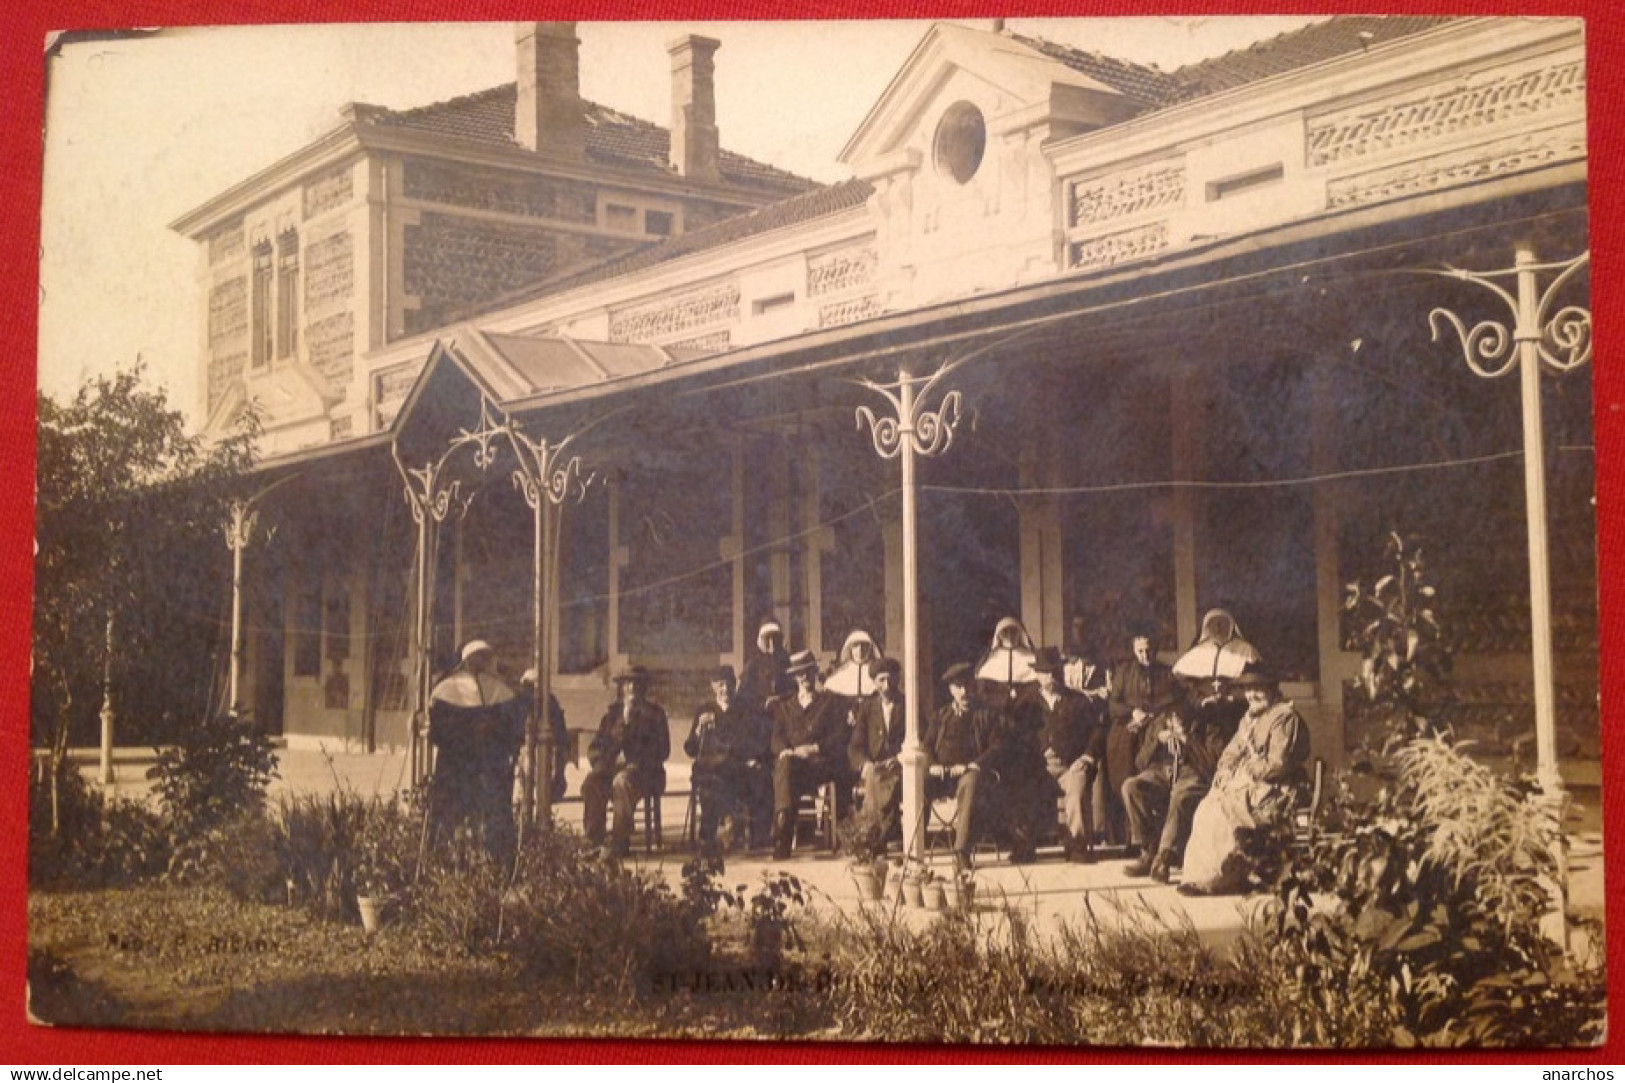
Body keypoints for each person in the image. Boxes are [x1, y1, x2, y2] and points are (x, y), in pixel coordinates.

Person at [1178, 665, 1311, 896]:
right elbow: (1232, 751)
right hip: (1252, 785)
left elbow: (1278, 763)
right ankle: (1206, 876)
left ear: (1271, 689)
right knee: (1207, 806)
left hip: (1278, 789)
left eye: (1258, 689)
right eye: (1248, 690)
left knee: (1222, 809)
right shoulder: (1249, 718)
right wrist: (1226, 771)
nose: (1252, 696)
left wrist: (1247, 772)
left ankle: (1220, 878)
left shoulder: (1284, 717)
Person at [1120, 683, 1233, 882]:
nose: (1173, 713)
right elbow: (1140, 762)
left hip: (1193, 772)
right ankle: (1148, 850)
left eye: (1177, 707)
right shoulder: (1159, 722)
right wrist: (1157, 740)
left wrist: (1186, 739)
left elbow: (1212, 763)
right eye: (1168, 708)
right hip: (1162, 771)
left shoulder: (1208, 722)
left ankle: (1164, 857)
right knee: (1131, 787)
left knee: (1180, 796)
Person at [427, 640, 526, 858]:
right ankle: (447, 857)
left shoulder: (502, 691)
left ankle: (495, 859)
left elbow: (514, 732)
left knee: (493, 816)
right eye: (474, 659)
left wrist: (494, 733)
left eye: (482, 658)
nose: (477, 664)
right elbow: (437, 732)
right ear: (464, 662)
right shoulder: (446, 690)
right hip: (454, 766)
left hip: (490, 766)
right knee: (451, 817)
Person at [1017, 646, 1106, 862]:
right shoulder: (1025, 703)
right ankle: (1024, 845)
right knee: (1024, 786)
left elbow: (1097, 731)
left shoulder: (1078, 700)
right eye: (1046, 672)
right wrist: (1034, 756)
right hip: (1039, 766)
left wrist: (1087, 756)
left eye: (1055, 671)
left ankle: (1077, 844)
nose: (1052, 676)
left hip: (1070, 765)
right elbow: (1017, 736)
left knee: (1076, 790)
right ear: (1037, 674)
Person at [922, 662, 1006, 874]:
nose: (964, 692)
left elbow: (997, 746)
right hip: (941, 775)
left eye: (968, 686)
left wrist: (973, 765)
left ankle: (961, 851)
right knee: (916, 781)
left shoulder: (986, 715)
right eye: (959, 687)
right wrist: (933, 765)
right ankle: (915, 845)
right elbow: (926, 745)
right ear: (951, 689)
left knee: (970, 783)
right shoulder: (940, 716)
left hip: (970, 774)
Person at [582, 665, 670, 860]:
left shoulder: (655, 715)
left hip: (646, 774)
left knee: (621, 782)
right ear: (621, 688)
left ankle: (620, 841)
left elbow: (663, 751)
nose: (632, 688)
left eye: (636, 684)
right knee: (592, 782)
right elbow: (596, 748)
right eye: (627, 683)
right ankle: (593, 840)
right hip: (612, 771)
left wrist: (636, 762)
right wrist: (602, 763)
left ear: (644, 688)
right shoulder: (612, 716)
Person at [769, 649, 847, 860]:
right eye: (799, 674)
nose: (804, 678)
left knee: (785, 771)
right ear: (794, 678)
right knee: (784, 765)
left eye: (807, 672)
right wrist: (785, 750)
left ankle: (782, 829)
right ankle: (784, 823)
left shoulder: (829, 702)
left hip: (820, 765)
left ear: (814, 672)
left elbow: (839, 737)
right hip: (794, 766)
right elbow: (776, 738)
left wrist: (814, 748)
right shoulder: (785, 707)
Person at [683, 665, 769, 853]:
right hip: (710, 769)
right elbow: (690, 749)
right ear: (713, 687)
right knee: (710, 779)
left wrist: (750, 758)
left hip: (737, 769)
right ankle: (728, 825)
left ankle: (711, 834)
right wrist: (698, 731)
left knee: (720, 778)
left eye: (729, 684)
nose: (725, 690)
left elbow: (753, 741)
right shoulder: (704, 710)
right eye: (720, 685)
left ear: (735, 684)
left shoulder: (745, 711)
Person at [1105, 627, 1175, 850]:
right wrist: (1132, 712)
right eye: (1140, 651)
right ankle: (1130, 838)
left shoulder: (1165, 672)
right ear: (1134, 650)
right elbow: (1113, 704)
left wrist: (1153, 715)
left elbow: (1173, 700)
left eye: (1149, 650)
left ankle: (1155, 836)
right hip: (1130, 728)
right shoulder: (1124, 672)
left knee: (1151, 777)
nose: (1145, 656)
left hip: (1156, 728)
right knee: (1123, 770)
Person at [847, 656, 906, 833]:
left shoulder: (909, 705)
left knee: (885, 782)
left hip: (900, 766)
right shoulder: (867, 708)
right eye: (881, 680)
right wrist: (864, 763)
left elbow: (924, 738)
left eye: (890, 679)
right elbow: (855, 745)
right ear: (874, 682)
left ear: (898, 679)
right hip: (875, 766)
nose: (887, 685)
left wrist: (900, 758)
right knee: (874, 776)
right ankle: (877, 832)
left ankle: (878, 833)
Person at [520, 667, 570, 806]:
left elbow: (559, 727)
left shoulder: (550, 701)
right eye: (529, 685)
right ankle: (527, 793)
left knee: (551, 761)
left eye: (535, 685)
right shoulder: (522, 702)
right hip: (528, 743)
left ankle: (552, 789)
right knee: (525, 762)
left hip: (550, 742)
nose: (533, 689)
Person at [975, 616, 1038, 706]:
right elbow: (983, 689)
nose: (1009, 636)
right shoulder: (991, 658)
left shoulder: (1030, 657)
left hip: (1025, 704)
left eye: (1013, 632)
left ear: (1020, 633)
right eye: (1005, 632)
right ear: (999, 635)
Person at [738, 619, 792, 713]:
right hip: (761, 716)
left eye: (775, 638)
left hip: (786, 713)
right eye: (767, 638)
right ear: (760, 641)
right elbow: (743, 695)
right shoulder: (752, 665)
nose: (772, 643)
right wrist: (763, 704)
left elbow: (796, 689)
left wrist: (781, 699)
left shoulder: (788, 662)